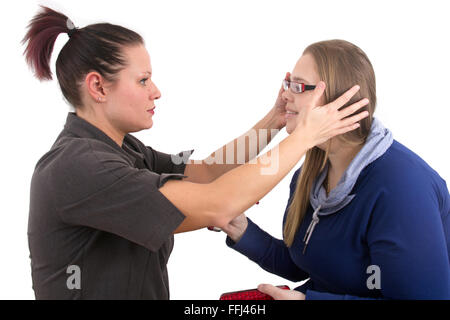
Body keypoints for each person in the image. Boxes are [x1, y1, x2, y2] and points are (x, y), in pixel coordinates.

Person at [22, 7, 369, 299]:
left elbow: (206, 172)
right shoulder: (79, 167)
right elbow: (218, 203)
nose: (156, 91)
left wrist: (274, 123)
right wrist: (304, 138)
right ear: (98, 86)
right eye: (143, 80)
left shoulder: (122, 149)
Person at [222, 39, 450, 300]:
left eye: (298, 86)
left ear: (339, 101)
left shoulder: (403, 188)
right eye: (287, 83)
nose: (284, 95)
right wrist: (241, 230)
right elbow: (307, 265)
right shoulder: (308, 177)